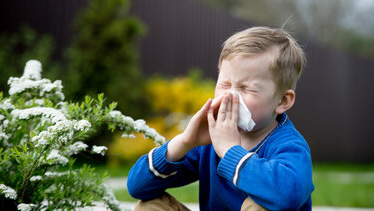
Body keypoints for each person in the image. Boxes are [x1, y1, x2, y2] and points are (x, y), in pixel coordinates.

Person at [127, 26, 314, 211]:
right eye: (225, 84)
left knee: (261, 207)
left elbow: (287, 197)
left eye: (246, 88)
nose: (231, 96)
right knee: (150, 205)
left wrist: (230, 151)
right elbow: (137, 187)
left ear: (282, 100)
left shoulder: (289, 145)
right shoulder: (210, 140)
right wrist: (184, 142)